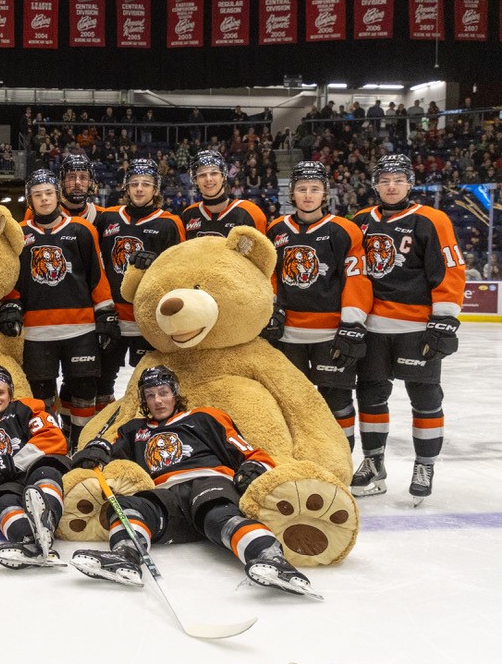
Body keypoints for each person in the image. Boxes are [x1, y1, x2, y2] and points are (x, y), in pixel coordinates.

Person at [68, 366, 317, 598]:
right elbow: (109, 447)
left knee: (216, 515)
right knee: (128, 506)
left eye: (164, 393)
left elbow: (251, 453)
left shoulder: (204, 417)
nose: (158, 401)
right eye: (151, 395)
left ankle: (271, 558)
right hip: (167, 495)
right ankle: (125, 556)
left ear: (175, 394)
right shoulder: (134, 430)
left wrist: (253, 467)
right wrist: (96, 449)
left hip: (207, 481)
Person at [350, 154, 465, 500]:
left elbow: (449, 269)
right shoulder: (359, 221)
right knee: (370, 396)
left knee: (425, 398)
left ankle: (425, 463)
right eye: (384, 180)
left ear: (410, 183)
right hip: (372, 327)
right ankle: (373, 462)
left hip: (416, 327)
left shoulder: (432, 219)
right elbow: (352, 273)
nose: (391, 186)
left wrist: (444, 320)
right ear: (375, 185)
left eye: (398, 179)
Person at [0, 169, 116, 440]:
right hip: (37, 332)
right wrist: (12, 304)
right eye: (38, 195)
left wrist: (106, 313)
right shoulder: (19, 234)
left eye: (49, 193)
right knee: (41, 392)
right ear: (30, 200)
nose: (44, 199)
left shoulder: (82, 229)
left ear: (58, 196)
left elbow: (96, 275)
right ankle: (50, 441)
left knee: (84, 389)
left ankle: (82, 441)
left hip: (80, 330)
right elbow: (12, 278)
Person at [265, 161, 372, 451]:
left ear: (325, 194)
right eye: (302, 189)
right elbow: (270, 274)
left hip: (330, 334)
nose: (308, 195)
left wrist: (351, 324)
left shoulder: (344, 230)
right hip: (288, 336)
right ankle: (295, 462)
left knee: (337, 403)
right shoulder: (275, 229)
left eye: (315, 189)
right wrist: (271, 308)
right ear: (293, 194)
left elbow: (356, 279)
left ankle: (341, 464)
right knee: (289, 404)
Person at [93, 158, 184, 412]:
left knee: (152, 383)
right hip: (112, 318)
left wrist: (157, 264)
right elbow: (94, 264)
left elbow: (178, 269)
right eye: (134, 183)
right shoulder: (107, 217)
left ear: (156, 189)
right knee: (102, 383)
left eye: (146, 184)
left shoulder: (169, 222)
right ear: (126, 187)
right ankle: (104, 429)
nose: (140, 189)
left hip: (147, 320)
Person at [0, 366, 70, 568]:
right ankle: (28, 542)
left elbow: (53, 439)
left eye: (0, 392)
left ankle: (46, 524)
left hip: (37, 467)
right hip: (8, 483)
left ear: (10, 394)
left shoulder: (27, 407)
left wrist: (7, 464)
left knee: (44, 473)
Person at [180, 149, 267, 239]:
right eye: (202, 175)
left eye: (214, 173)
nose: (208, 179)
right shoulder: (188, 215)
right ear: (195, 180)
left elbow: (262, 251)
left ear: (223, 176)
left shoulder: (250, 212)